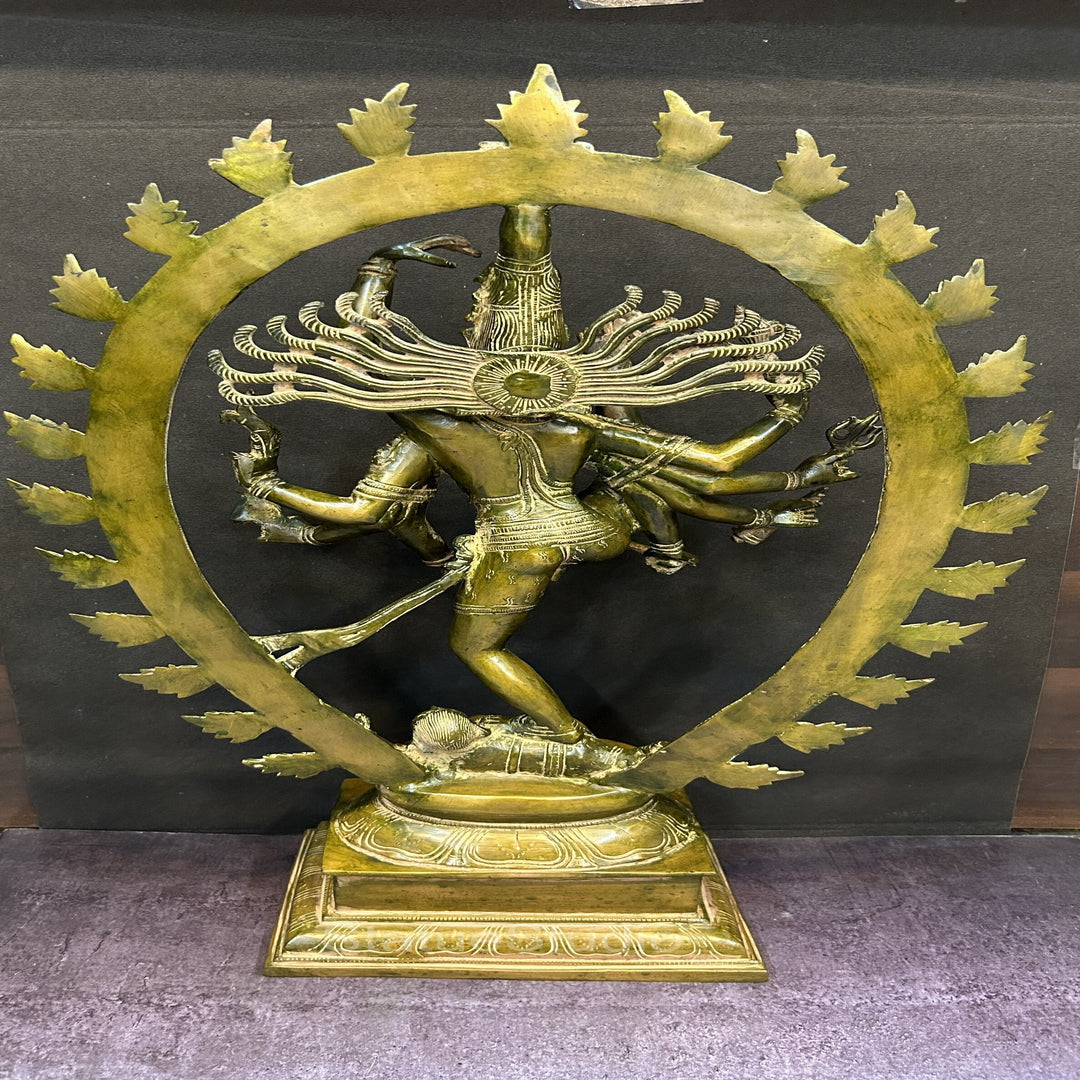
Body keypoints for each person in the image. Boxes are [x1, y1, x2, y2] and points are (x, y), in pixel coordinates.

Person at [214, 205, 880, 743]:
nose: (473, 314)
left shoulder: (439, 427)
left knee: (477, 649)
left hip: (522, 545)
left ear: (478, 350)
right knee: (641, 480)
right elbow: (717, 461)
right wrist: (786, 414)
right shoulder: (580, 421)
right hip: (593, 531)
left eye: (477, 311)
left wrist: (378, 269)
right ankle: (737, 515)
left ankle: (571, 738)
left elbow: (360, 356)